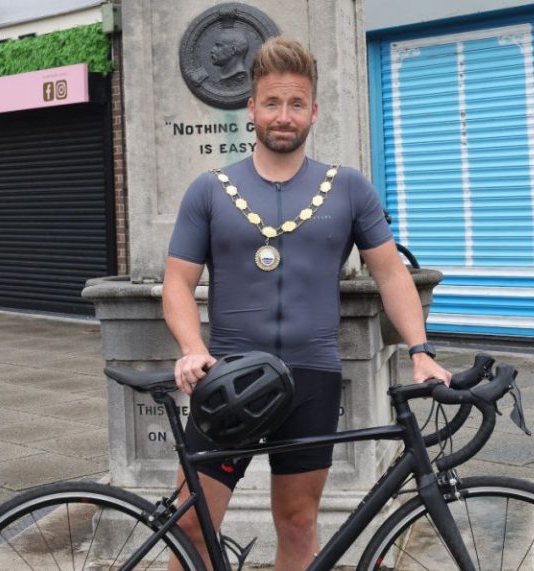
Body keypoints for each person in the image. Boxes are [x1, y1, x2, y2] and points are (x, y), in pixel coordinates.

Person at [162, 36, 451, 570]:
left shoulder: (350, 188)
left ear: (314, 111)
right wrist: (190, 347)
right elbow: (177, 283)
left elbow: (391, 274)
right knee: (190, 526)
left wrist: (420, 349)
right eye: (272, 102)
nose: (283, 116)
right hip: (229, 377)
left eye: (296, 103)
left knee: (298, 525)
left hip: (311, 379)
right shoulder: (209, 189)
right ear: (251, 108)